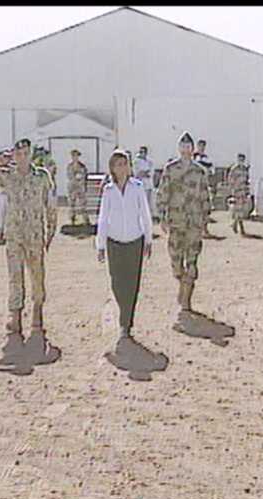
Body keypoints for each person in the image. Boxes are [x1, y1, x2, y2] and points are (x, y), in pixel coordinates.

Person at [0, 138, 56, 336]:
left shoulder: (42, 176)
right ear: (14, 155)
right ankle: (15, 316)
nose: (22, 158)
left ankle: (37, 312)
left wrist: (51, 230)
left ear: (31, 155)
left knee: (37, 275)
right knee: (15, 276)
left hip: (34, 235)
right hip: (14, 234)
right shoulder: (7, 175)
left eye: (25, 154)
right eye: (18, 154)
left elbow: (50, 204)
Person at [96, 149, 153, 343]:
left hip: (135, 241)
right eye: (118, 164)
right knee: (117, 283)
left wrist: (148, 239)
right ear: (112, 168)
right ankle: (123, 312)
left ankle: (126, 324)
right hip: (114, 242)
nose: (122, 168)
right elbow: (103, 218)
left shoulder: (137, 187)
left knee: (132, 284)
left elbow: (145, 214)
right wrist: (100, 244)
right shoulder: (108, 190)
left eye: (124, 164)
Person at [157, 131, 211, 315]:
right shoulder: (171, 169)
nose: (186, 148)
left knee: (192, 259)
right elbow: (163, 192)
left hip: (194, 222)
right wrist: (162, 216)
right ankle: (181, 283)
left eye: (188, 146)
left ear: (193, 148)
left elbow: (204, 195)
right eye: (183, 145)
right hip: (176, 220)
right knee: (175, 258)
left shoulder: (199, 171)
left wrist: (205, 220)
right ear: (179, 148)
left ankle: (187, 297)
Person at [227, 153, 250, 235]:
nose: (241, 161)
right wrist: (232, 189)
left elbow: (247, 180)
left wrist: (247, 190)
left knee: (242, 209)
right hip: (237, 191)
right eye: (240, 159)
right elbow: (230, 180)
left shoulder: (245, 169)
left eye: (242, 159)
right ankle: (240, 227)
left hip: (243, 191)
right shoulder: (234, 169)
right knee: (237, 209)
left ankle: (235, 224)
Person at [66, 149, 90, 226]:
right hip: (72, 187)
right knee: (72, 204)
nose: (75, 157)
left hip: (80, 187)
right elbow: (70, 176)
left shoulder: (82, 166)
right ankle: (72, 220)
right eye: (73, 156)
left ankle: (85, 220)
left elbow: (84, 176)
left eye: (76, 156)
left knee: (83, 204)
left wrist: (82, 182)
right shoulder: (70, 166)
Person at [132, 146, 156, 220]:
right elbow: (137, 173)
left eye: (143, 152)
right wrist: (144, 173)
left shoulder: (150, 161)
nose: (141, 153)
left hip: (149, 184)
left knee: (149, 202)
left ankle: (149, 217)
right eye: (140, 152)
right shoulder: (136, 161)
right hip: (140, 184)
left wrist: (144, 173)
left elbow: (151, 173)